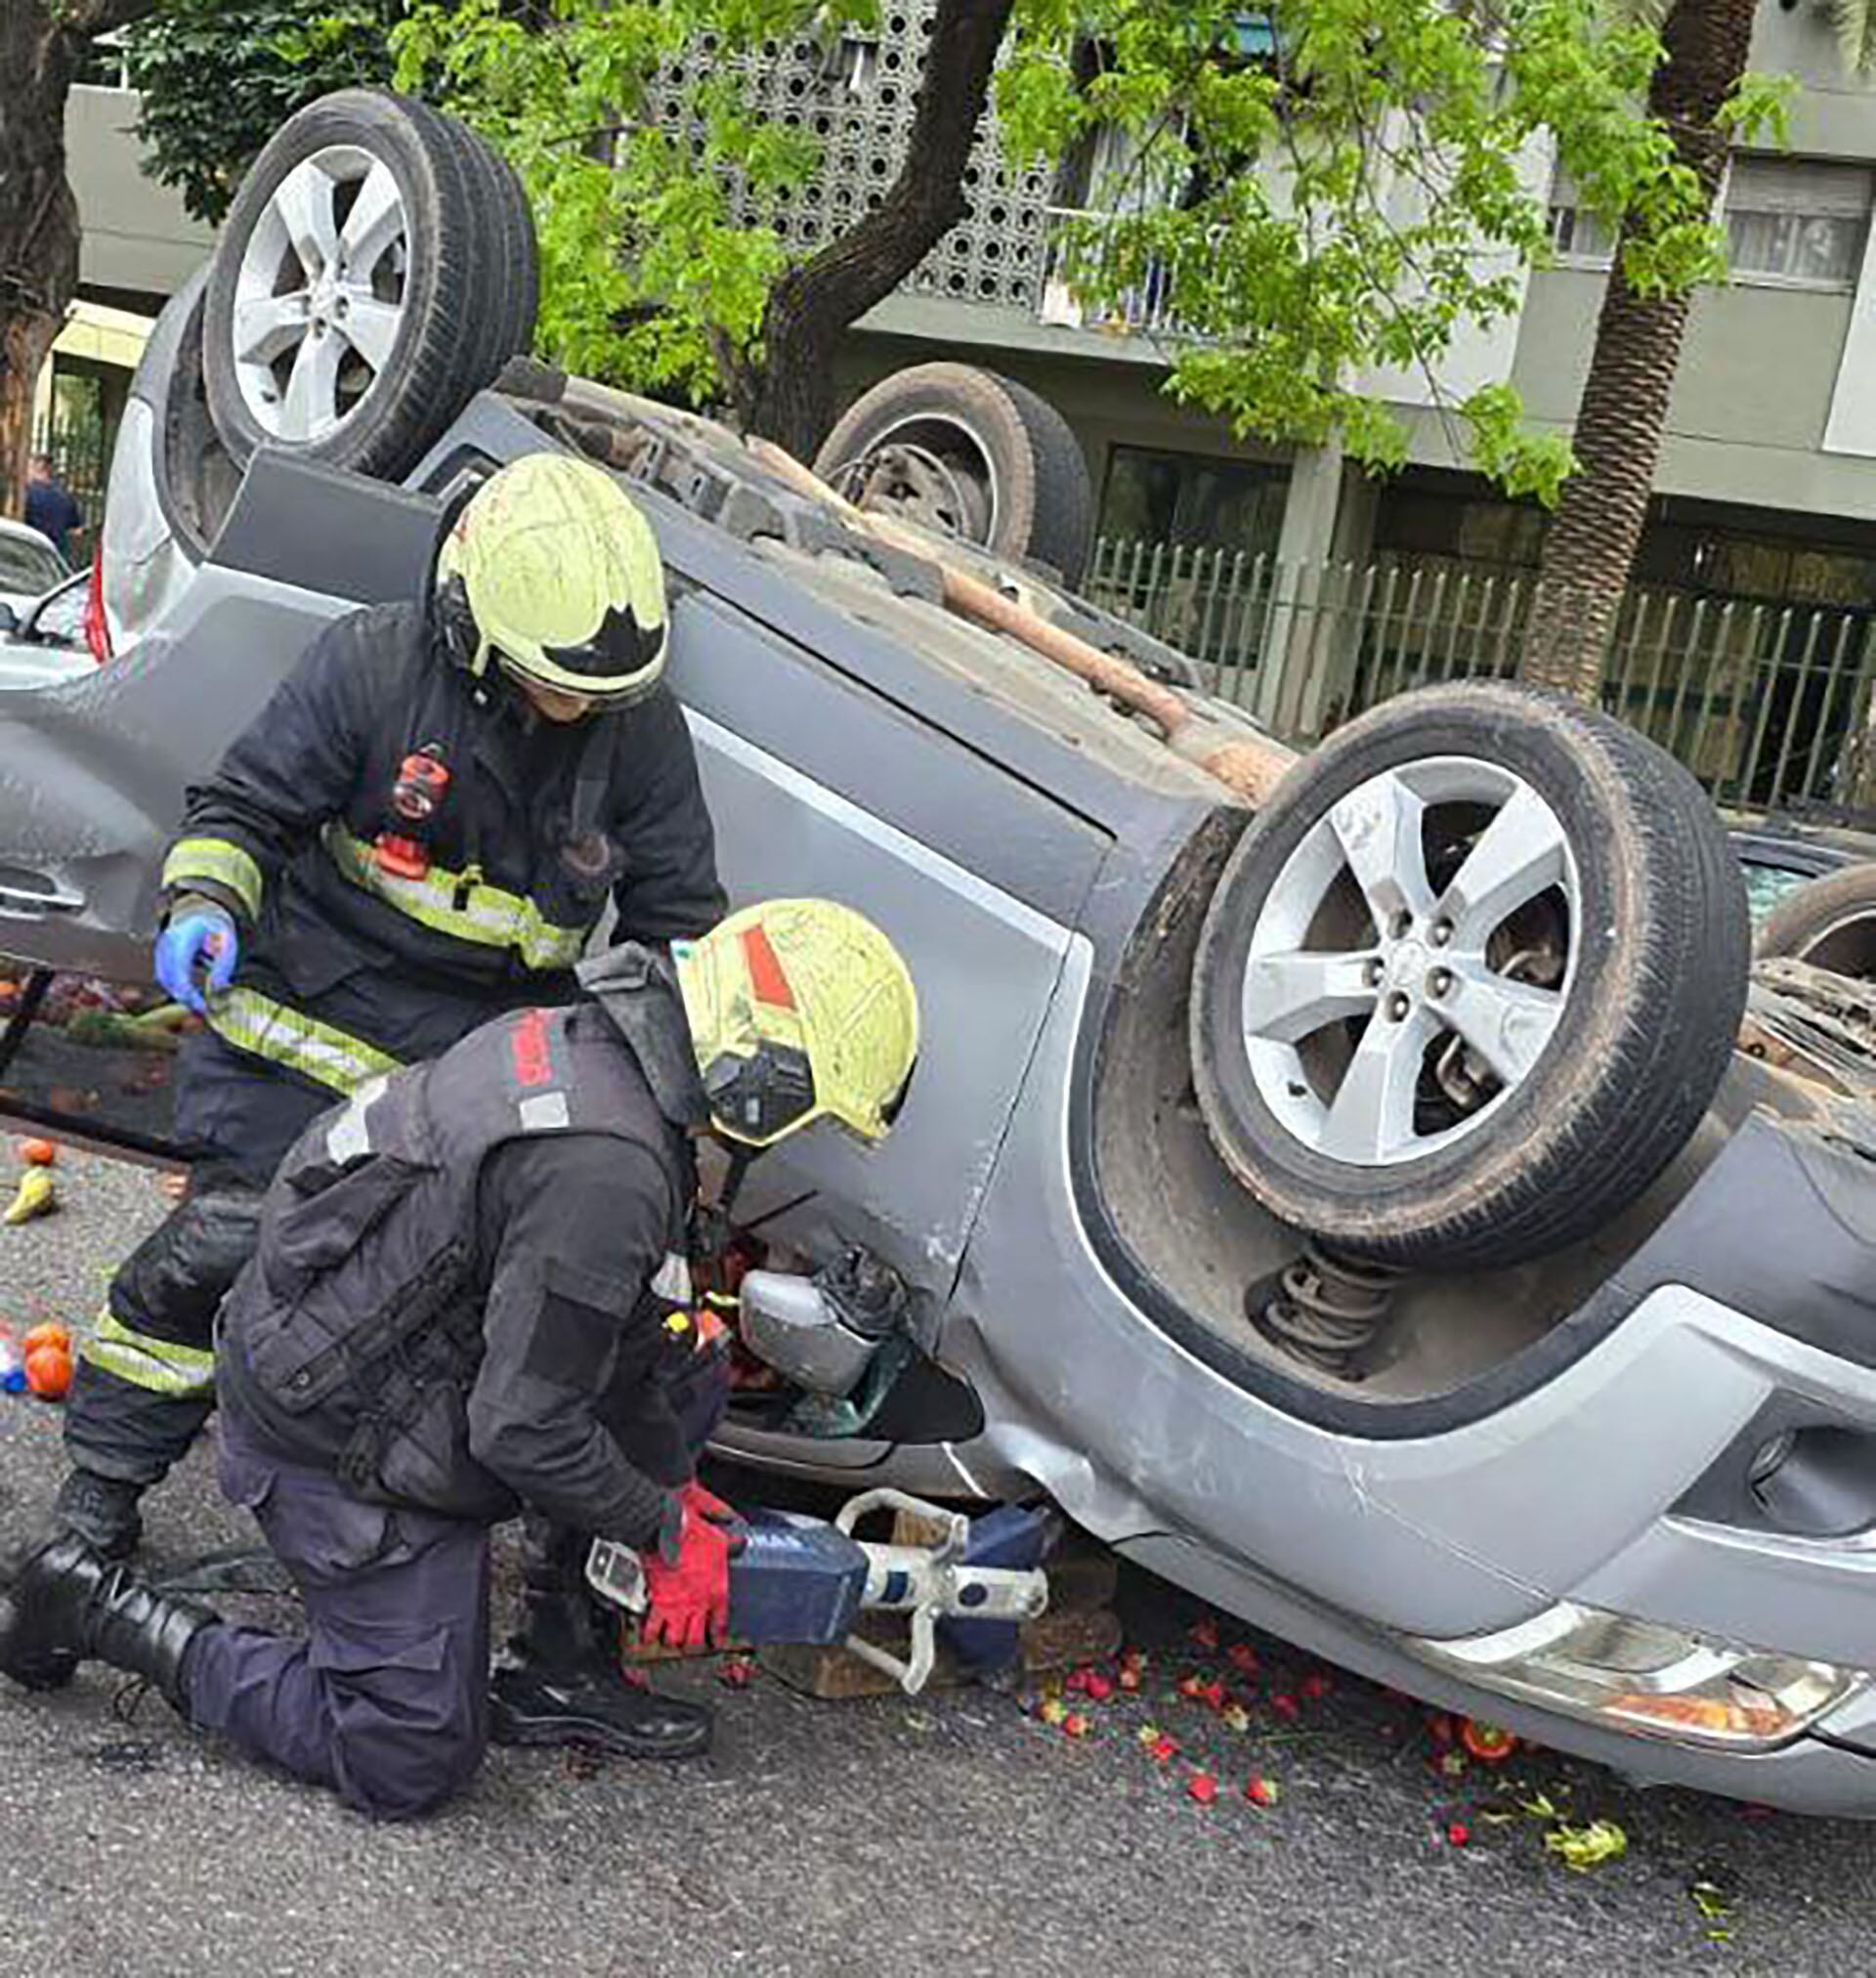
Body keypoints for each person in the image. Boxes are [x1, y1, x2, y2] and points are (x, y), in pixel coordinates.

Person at [0, 900, 920, 1821]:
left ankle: (561, 1665)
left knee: (682, 1368)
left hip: (348, 1349)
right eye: (807, 1116)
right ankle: (96, 1610)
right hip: (333, 1441)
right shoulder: (607, 1170)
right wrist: (664, 1534)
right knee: (407, 1754)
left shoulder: (587, 1042)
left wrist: (665, 1484)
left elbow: (608, 1319)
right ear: (766, 1078)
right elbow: (521, 1426)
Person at [53, 451, 725, 1579]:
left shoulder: (635, 735)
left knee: (440, 1320)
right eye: (559, 687)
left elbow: (678, 930)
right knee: (216, 1254)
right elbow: (244, 808)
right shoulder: (371, 669)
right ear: (472, 626)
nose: (580, 711)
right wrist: (209, 896)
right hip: (298, 1042)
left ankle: (369, 1537)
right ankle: (98, 1496)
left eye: (599, 694)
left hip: (471, 1087)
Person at [22, 452, 83, 560]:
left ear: (38, 467)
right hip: (55, 557)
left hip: (28, 554)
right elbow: (77, 532)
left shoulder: (27, 494)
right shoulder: (65, 496)